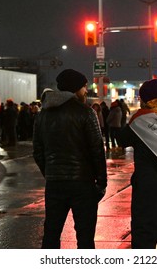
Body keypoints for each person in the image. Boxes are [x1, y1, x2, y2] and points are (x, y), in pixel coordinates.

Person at [32, 68, 107, 249]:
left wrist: (50, 171)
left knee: (51, 234)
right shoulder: (86, 112)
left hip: (55, 183)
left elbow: (38, 151)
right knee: (85, 236)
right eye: (84, 87)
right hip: (83, 184)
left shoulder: (44, 114)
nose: (86, 91)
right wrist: (101, 182)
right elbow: (97, 150)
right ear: (75, 89)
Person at [116, 79, 157, 249]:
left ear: (144, 99)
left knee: (145, 233)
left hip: (148, 186)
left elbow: (122, 139)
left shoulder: (140, 121)